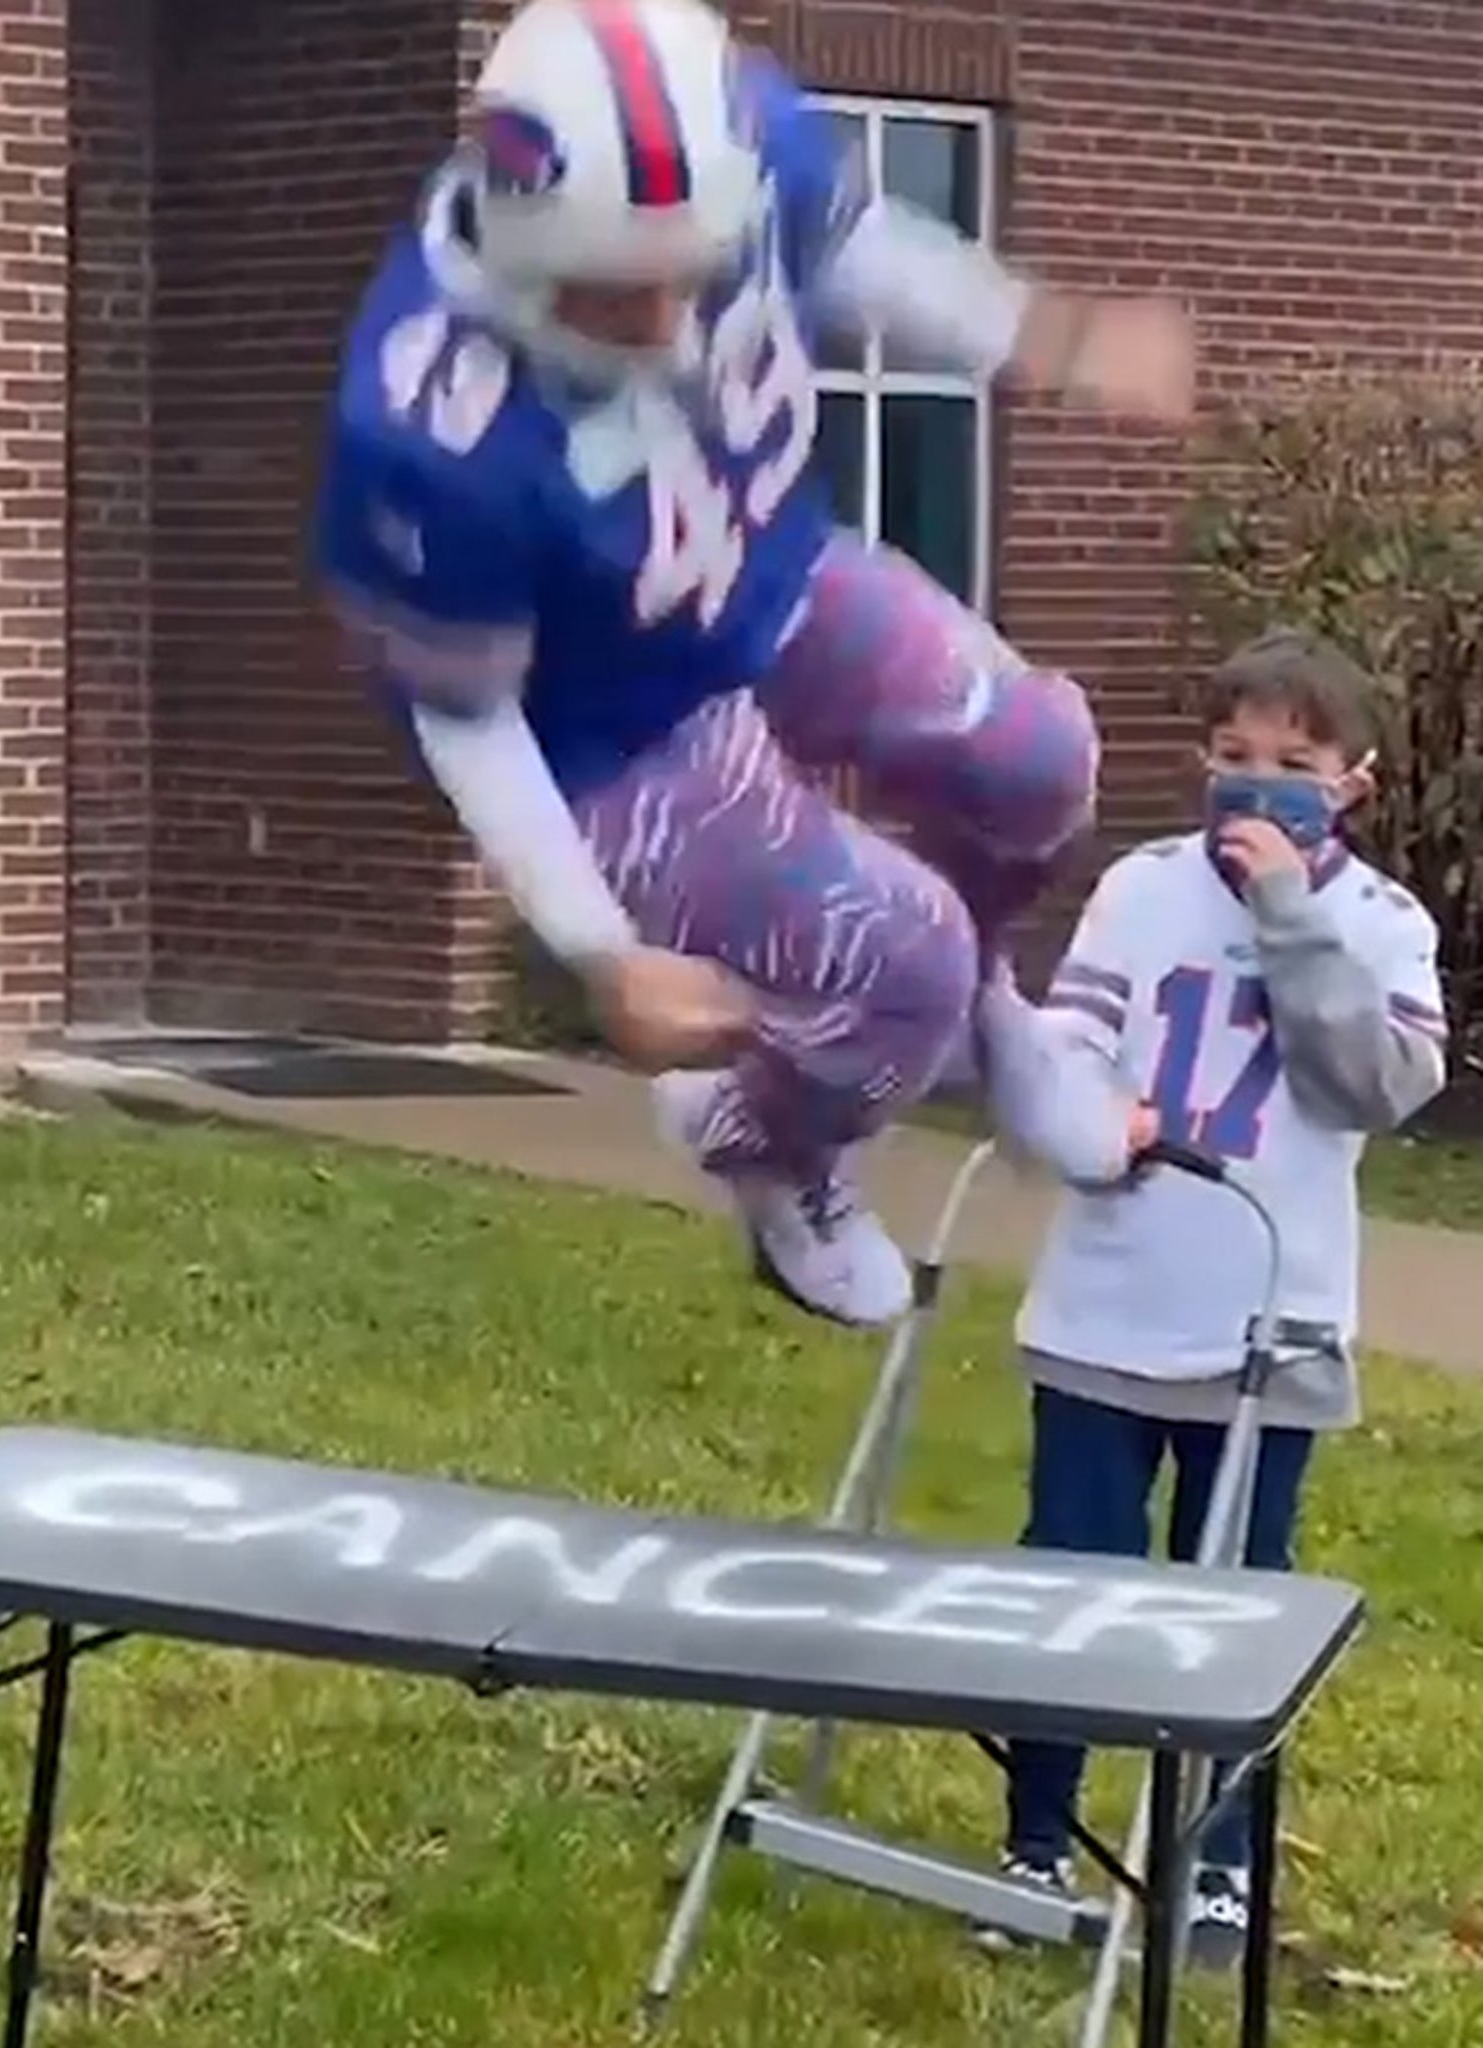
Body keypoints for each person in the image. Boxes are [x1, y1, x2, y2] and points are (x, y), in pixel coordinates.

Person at [313, 0, 1195, 1330]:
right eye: (620, 290)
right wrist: (601, 956)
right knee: (902, 963)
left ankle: (994, 1014)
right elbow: (473, 719)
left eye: (695, 270)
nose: (670, 320)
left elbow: (852, 249)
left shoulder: (732, 128)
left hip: (770, 571)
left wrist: (1043, 340)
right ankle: (774, 1149)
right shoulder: (431, 434)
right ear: (521, 238)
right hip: (617, 728)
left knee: (1037, 761)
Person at [972, 626, 1448, 1961]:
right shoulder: (1139, 888)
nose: (1255, 788)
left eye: (1292, 765)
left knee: (1233, 1606)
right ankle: (1038, 1836)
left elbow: (1376, 1088)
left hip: (1269, 1324)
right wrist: (1080, 1105)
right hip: (1107, 1305)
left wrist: (1291, 917)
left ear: (1349, 782)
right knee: (1069, 1579)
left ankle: (1218, 1865)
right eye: (1233, 759)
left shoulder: (1381, 925)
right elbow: (1073, 1037)